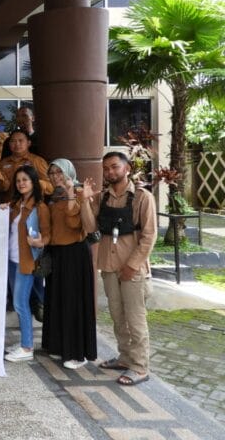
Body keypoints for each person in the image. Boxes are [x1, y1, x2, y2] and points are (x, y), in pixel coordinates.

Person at [81, 151, 157, 386]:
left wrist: (132, 266)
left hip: (132, 269)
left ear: (127, 169)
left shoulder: (143, 197)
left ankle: (140, 366)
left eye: (114, 167)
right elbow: (90, 227)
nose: (110, 172)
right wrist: (84, 200)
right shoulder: (103, 198)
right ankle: (125, 357)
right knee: (117, 317)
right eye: (106, 168)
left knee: (135, 319)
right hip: (109, 266)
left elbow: (149, 236)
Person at [41, 159, 97, 370]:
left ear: (69, 172)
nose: (56, 176)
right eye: (52, 172)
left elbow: (75, 224)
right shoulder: (54, 195)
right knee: (57, 299)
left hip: (74, 253)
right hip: (57, 252)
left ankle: (76, 352)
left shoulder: (80, 191)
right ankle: (57, 344)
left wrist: (72, 192)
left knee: (73, 302)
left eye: (60, 172)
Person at [4, 165, 50, 362]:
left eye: (25, 180)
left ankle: (27, 347)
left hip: (27, 262)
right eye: (18, 180)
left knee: (20, 304)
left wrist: (39, 242)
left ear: (33, 182)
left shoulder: (40, 207)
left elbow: (47, 235)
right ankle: (25, 341)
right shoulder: (16, 204)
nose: (21, 183)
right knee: (19, 303)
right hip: (12, 261)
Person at [0, 129, 52, 201]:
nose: (17, 144)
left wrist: (36, 183)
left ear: (29, 143)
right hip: (7, 206)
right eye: (13, 141)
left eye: (21, 140)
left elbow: (50, 187)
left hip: (30, 206)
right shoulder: (3, 163)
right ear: (9, 144)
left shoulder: (37, 161)